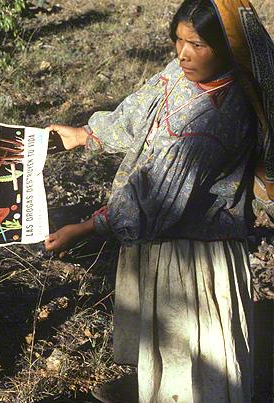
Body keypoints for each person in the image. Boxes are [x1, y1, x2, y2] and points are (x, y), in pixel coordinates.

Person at [45, 0, 274, 401]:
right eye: (178, 41)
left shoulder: (215, 119)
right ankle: (152, 385)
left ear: (228, 50)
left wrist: (85, 228)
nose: (183, 54)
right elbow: (137, 114)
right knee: (168, 344)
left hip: (195, 252)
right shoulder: (180, 74)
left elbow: (155, 198)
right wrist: (85, 135)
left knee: (197, 361)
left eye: (197, 45)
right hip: (161, 234)